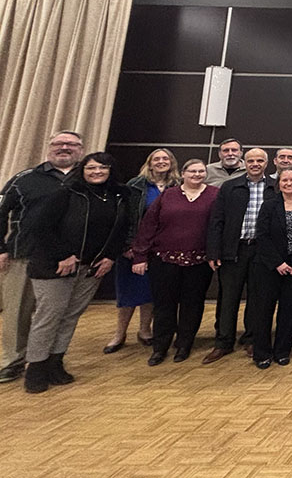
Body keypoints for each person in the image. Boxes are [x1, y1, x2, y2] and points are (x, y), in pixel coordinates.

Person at [22, 152, 128, 393]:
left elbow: (120, 230)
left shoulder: (117, 196)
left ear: (111, 170)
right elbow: (39, 227)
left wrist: (110, 256)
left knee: (71, 315)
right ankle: (36, 369)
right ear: (83, 170)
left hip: (92, 267)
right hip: (55, 266)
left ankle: (55, 363)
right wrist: (62, 255)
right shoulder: (65, 194)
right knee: (48, 316)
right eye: (91, 168)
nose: (97, 172)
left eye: (103, 167)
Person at [0, 131, 82, 383]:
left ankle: (46, 359)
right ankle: (12, 360)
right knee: (17, 312)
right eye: (59, 143)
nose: (64, 148)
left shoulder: (88, 178)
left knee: (55, 314)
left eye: (71, 144)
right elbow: (1, 214)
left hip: (68, 258)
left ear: (81, 149)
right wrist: (1, 249)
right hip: (24, 254)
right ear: (49, 147)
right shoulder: (25, 178)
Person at [131, 159, 218, 366]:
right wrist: (140, 255)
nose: (197, 175)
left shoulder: (215, 195)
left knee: (192, 304)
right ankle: (160, 347)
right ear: (184, 174)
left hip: (199, 261)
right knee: (164, 305)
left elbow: (218, 226)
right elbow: (148, 225)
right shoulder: (168, 196)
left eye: (201, 171)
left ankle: (184, 344)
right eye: (192, 171)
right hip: (164, 260)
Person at [202, 148, 276, 364]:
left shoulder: (274, 187)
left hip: (261, 251)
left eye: (259, 160)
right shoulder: (230, 187)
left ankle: (251, 339)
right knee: (228, 297)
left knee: (257, 297)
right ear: (245, 162)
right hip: (234, 250)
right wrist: (214, 251)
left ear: (266, 163)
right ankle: (223, 342)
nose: (255, 164)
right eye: (251, 160)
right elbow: (217, 220)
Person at [106, 148, 180, 354]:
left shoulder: (178, 186)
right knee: (128, 292)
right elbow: (126, 218)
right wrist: (129, 245)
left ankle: (145, 330)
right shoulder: (136, 186)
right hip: (135, 247)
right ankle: (119, 334)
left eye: (166, 158)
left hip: (161, 249)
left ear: (172, 163)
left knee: (151, 291)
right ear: (149, 163)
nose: (161, 162)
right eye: (157, 159)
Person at [250, 168, 292, 368]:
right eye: (284, 180)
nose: (289, 183)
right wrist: (278, 263)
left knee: (289, 310)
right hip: (269, 267)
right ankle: (261, 352)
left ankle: (282, 350)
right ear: (278, 184)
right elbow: (262, 236)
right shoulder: (269, 206)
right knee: (263, 310)